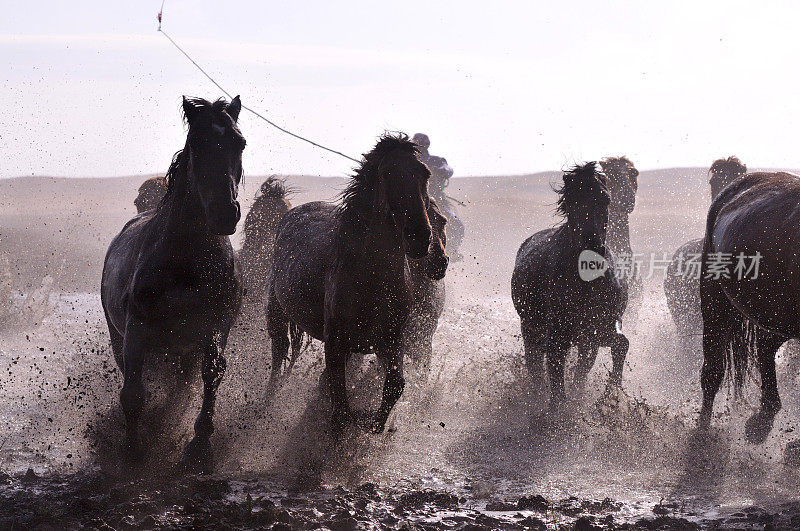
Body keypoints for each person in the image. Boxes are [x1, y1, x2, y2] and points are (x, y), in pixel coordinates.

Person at [413, 133, 463, 260]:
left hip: (438, 202)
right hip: (413, 201)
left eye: (422, 146)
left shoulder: (437, 161)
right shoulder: (410, 161)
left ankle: (452, 250)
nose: (420, 149)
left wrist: (439, 171)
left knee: (457, 224)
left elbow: (448, 170)